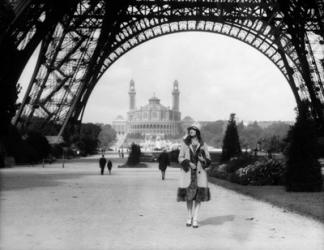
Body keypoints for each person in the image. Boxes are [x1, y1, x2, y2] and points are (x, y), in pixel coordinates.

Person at [177, 124, 211, 228]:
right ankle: (189, 217)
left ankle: (195, 219)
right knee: (188, 197)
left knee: (198, 198)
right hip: (188, 174)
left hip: (199, 175)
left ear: (197, 132)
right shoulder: (185, 143)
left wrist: (202, 160)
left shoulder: (203, 144)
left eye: (193, 130)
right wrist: (188, 162)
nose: (191, 131)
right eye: (190, 130)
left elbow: (208, 159)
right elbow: (180, 157)